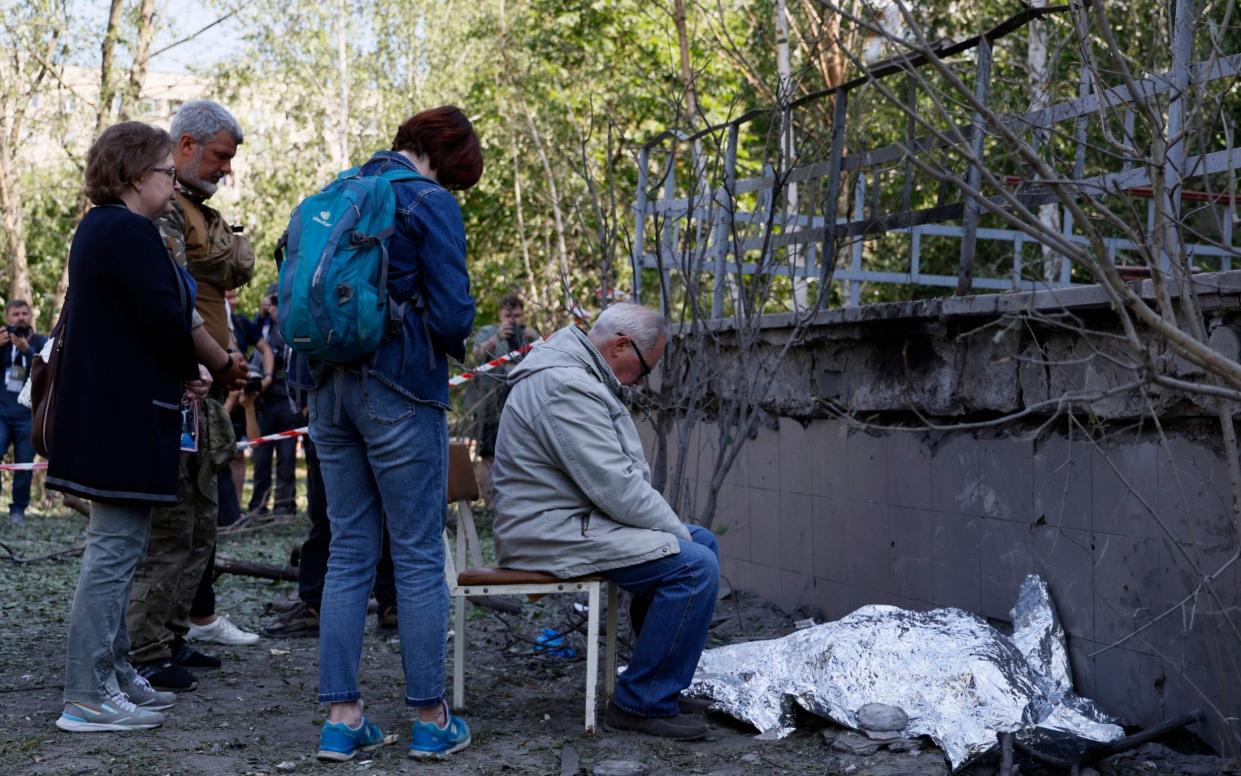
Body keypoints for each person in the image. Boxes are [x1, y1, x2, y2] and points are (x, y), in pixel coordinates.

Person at [291, 105, 481, 762]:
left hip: (325, 390)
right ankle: (431, 719)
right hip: (399, 390)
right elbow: (454, 312)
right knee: (419, 554)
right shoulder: (428, 202)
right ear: (448, 156)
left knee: (349, 552)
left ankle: (342, 720)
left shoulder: (339, 190)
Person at [491, 302, 719, 741]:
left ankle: (660, 684)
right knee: (694, 565)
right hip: (545, 531)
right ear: (619, 346)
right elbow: (615, 487)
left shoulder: (576, 373)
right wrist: (669, 531)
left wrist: (669, 531)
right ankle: (640, 702)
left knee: (701, 543)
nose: (642, 379)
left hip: (571, 521)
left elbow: (612, 485)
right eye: (645, 368)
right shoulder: (565, 384)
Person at [49, 121, 206, 732]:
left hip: (117, 416)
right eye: (168, 172)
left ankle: (111, 673)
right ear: (137, 174)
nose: (173, 182)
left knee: (124, 548)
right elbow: (165, 319)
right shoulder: (126, 231)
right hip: (121, 421)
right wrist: (192, 367)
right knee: (113, 555)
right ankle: (85, 693)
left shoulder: (103, 229)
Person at [126, 100, 258, 694]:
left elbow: (238, 266)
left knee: (202, 520)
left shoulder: (199, 212)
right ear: (184, 147)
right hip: (174, 384)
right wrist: (219, 359)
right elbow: (176, 298)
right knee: (170, 524)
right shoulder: (161, 213)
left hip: (201, 390)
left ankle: (174, 633)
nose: (226, 168)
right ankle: (144, 648)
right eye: (220, 156)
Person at [468, 293, 539, 503]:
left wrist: (534, 338)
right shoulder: (489, 331)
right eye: (508, 315)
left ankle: (518, 501)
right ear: (500, 314)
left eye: (517, 315)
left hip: (522, 404)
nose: (512, 320)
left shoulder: (528, 334)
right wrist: (497, 338)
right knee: (488, 455)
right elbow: (475, 355)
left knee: (523, 454)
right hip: (489, 405)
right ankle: (489, 503)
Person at [248, 285, 299, 516]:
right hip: (264, 400)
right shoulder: (262, 326)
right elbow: (252, 341)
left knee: (287, 458)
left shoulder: (292, 323)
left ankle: (284, 504)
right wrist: (262, 314)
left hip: (287, 400)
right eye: (272, 303)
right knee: (261, 457)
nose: (274, 308)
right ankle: (258, 505)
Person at [0, 299, 47, 524]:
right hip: (1, 414)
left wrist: (26, 350)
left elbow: (47, 371)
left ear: (30, 317)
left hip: (28, 416)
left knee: (25, 465)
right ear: (7, 318)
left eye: (24, 313)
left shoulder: (41, 342)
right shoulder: (2, 343)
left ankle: (18, 510)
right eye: (15, 314)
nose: (20, 318)